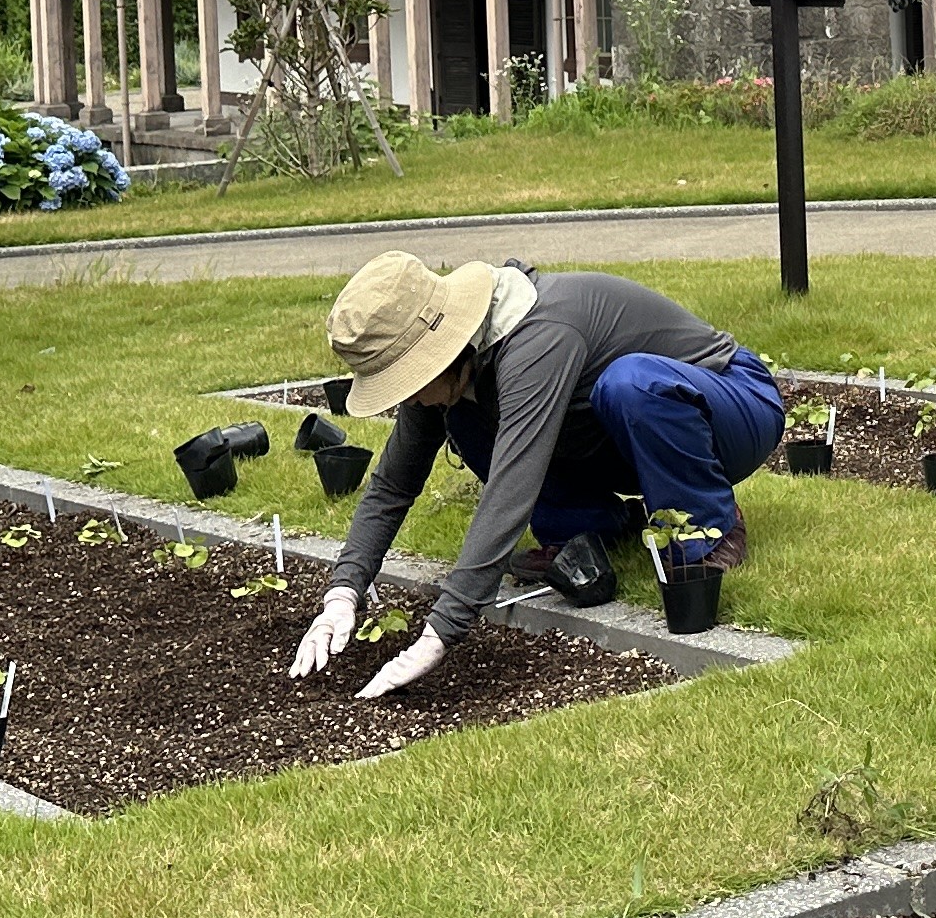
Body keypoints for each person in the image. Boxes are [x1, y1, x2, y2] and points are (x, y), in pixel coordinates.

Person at [288, 252, 781, 698]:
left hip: (731, 404)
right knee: (464, 416)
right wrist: (342, 594)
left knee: (630, 383)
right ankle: (591, 531)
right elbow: (394, 484)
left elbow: (512, 483)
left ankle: (709, 527)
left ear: (440, 352)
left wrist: (440, 632)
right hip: (619, 434)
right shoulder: (453, 367)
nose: (405, 398)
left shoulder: (539, 336)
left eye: (405, 382)